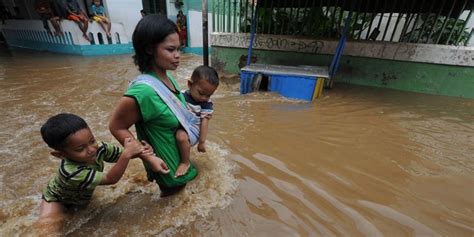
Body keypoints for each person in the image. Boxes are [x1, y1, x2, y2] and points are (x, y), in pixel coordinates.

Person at [109, 15, 198, 197]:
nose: (178, 56)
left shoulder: (168, 78)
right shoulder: (144, 92)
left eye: (179, 49)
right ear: (150, 49)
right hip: (169, 173)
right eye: (170, 49)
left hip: (182, 164)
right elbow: (116, 127)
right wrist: (149, 158)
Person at [38, 113, 169, 232]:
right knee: (48, 229)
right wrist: (128, 153)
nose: (91, 149)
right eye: (80, 148)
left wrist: (141, 150)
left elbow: (122, 155)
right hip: (57, 199)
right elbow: (110, 178)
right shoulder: (71, 172)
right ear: (60, 154)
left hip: (79, 196)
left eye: (92, 140)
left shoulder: (98, 148)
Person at [175, 65, 219, 177]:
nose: (204, 98)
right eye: (201, 93)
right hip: (183, 123)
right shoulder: (181, 95)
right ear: (190, 84)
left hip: (194, 130)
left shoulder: (206, 104)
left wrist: (202, 142)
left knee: (181, 136)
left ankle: (185, 163)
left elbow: (204, 123)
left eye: (209, 95)